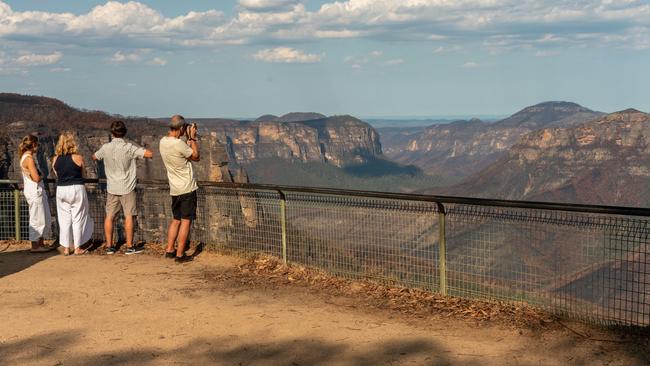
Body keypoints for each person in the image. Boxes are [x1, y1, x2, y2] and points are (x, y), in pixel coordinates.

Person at [93, 121, 153, 255]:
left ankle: (109, 246)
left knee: (109, 216)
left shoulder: (106, 147)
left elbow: (94, 156)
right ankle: (130, 246)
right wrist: (135, 149)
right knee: (129, 216)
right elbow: (149, 154)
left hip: (112, 187)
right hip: (127, 187)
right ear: (124, 132)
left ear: (111, 132)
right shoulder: (129, 148)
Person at [159, 115, 199, 263]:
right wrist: (192, 138)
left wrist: (186, 138)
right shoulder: (179, 145)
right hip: (187, 188)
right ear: (181, 128)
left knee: (176, 220)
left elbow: (181, 150)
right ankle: (180, 255)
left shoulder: (163, 142)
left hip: (174, 188)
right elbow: (195, 156)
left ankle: (170, 250)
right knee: (186, 221)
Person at [52, 132, 94, 255]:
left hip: (61, 189)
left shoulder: (55, 159)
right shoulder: (78, 158)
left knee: (64, 219)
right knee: (78, 218)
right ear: (72, 143)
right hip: (76, 188)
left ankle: (66, 248)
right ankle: (77, 247)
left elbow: (57, 174)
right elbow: (83, 174)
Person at [19, 134, 55, 253]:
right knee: (37, 219)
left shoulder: (24, 157)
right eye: (37, 144)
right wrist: (41, 176)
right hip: (35, 192)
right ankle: (35, 246)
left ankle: (40, 244)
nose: (38, 147)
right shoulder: (28, 158)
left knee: (42, 217)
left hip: (34, 191)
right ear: (33, 144)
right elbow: (36, 178)